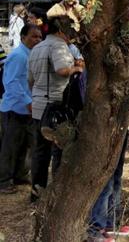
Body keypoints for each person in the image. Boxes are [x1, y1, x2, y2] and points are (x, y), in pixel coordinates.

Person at [28, 16, 83, 202]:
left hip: (38, 104)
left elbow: (30, 80)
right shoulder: (59, 46)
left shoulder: (36, 48)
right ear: (61, 31)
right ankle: (57, 194)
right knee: (59, 149)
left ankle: (36, 191)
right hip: (56, 106)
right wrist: (76, 68)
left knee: (40, 151)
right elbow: (61, 70)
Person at [0, 24, 42, 194]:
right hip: (14, 109)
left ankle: (19, 175)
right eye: (33, 36)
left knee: (24, 145)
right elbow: (11, 82)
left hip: (27, 108)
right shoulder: (18, 56)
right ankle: (3, 181)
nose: (37, 40)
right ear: (23, 37)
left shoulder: (31, 55)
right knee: (10, 147)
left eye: (39, 37)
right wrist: (27, 101)